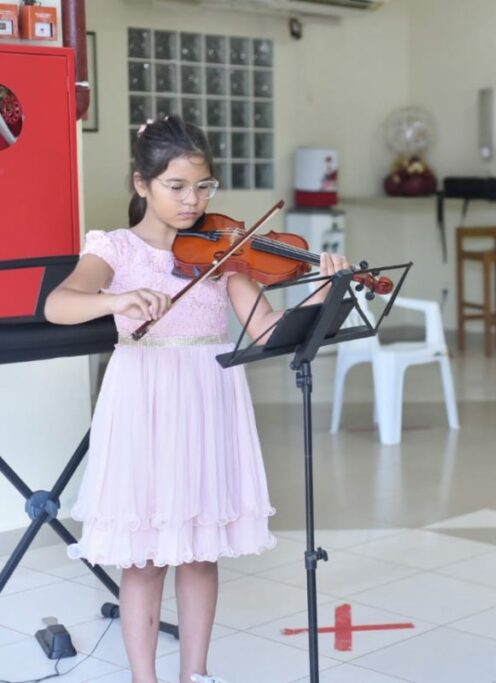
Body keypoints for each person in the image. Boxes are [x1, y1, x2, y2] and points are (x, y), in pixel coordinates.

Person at [44, 116, 348, 683]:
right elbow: (59, 304)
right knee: (144, 559)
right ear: (142, 185)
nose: (192, 201)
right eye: (176, 187)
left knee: (199, 551)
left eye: (203, 187)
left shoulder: (223, 253)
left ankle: (195, 675)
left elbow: (266, 331)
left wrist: (326, 296)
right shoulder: (114, 248)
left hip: (209, 394)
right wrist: (116, 299)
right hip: (145, 401)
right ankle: (144, 678)